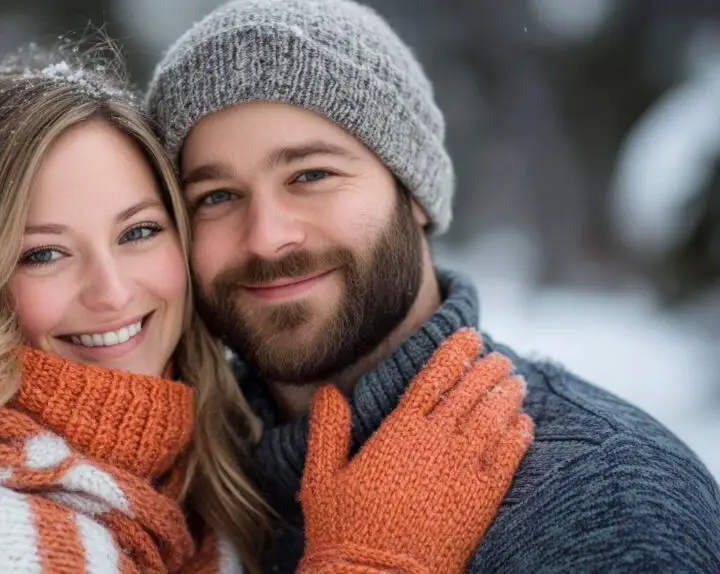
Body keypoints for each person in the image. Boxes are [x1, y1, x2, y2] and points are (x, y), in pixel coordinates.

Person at [0, 48, 532, 573]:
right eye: (42, 252)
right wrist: (371, 562)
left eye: (139, 231)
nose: (112, 291)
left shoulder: (184, 472)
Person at [145, 0, 720, 571]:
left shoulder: (601, 500)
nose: (267, 237)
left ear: (414, 193)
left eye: (312, 175)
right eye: (215, 197)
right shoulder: (174, 493)